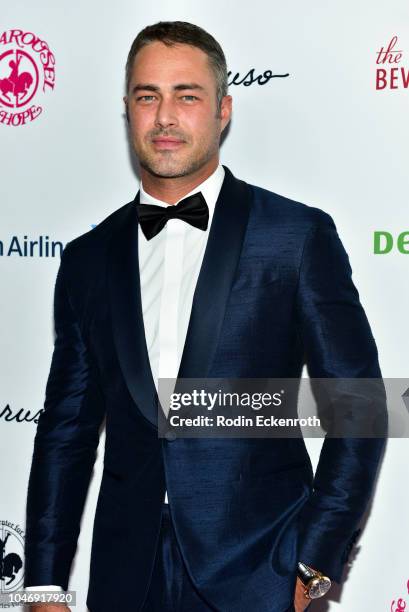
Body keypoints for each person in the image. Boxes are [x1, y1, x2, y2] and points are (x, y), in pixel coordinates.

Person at [23, 20, 386, 612]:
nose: (165, 116)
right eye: (148, 96)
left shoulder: (294, 236)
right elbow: (66, 431)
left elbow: (362, 406)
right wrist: (42, 582)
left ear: (223, 109)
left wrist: (312, 561)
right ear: (128, 111)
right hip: (125, 576)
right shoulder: (87, 259)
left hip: (261, 570)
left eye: (186, 96)